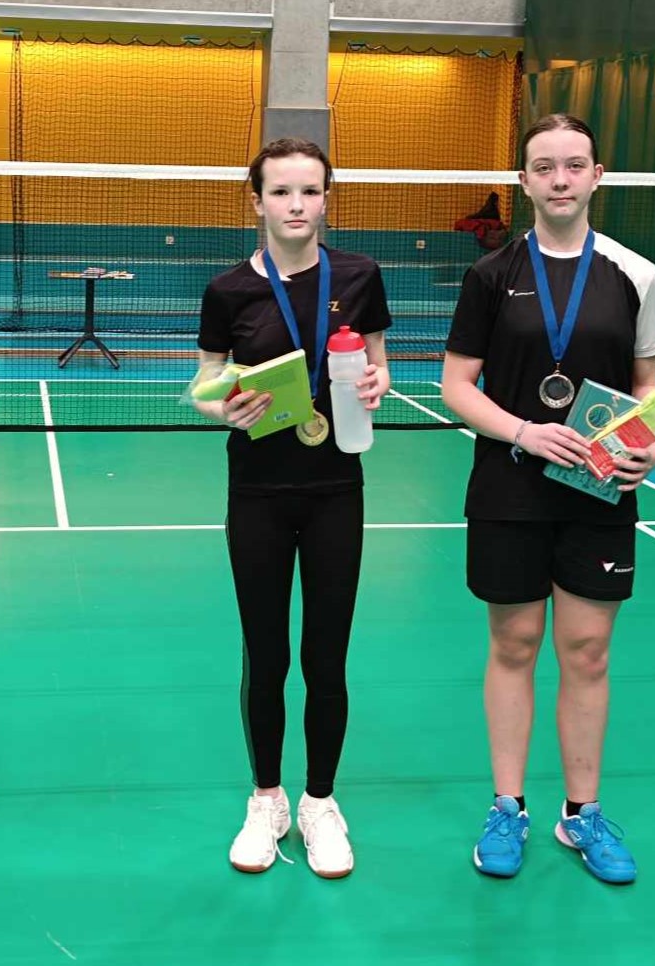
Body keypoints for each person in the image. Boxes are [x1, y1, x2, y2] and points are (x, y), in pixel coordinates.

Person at [442, 114, 655, 884]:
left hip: (598, 488)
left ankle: (582, 814)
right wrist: (524, 432)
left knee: (588, 651)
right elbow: (456, 385)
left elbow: (647, 386)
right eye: (545, 167)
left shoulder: (636, 274)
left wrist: (650, 442)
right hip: (509, 485)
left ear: (597, 175)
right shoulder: (489, 274)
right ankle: (508, 806)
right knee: (514, 645)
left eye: (574, 165)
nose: (560, 179)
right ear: (525, 181)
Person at [194, 137, 392, 878]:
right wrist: (223, 406)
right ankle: (267, 798)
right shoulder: (227, 291)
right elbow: (206, 382)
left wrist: (378, 383)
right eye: (281, 191)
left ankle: (320, 802)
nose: (297, 204)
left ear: (326, 197)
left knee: (326, 655)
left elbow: (377, 366)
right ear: (258, 201)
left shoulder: (359, 276)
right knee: (267, 653)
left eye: (310, 190)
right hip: (257, 493)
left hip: (337, 489)